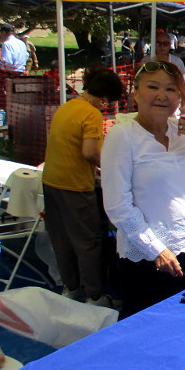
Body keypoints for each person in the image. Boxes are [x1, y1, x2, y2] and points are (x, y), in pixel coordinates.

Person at [101, 61, 185, 318]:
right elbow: (117, 206)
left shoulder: (182, 132)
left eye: (170, 89)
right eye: (153, 87)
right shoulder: (122, 136)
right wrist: (156, 250)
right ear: (135, 93)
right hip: (148, 257)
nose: (161, 95)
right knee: (146, 327)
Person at [42, 66, 123, 307]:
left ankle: (71, 287)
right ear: (105, 97)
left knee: (62, 239)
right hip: (75, 187)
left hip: (51, 181)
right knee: (87, 242)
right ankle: (95, 296)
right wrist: (110, 167)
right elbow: (89, 152)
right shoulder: (91, 114)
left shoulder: (67, 107)